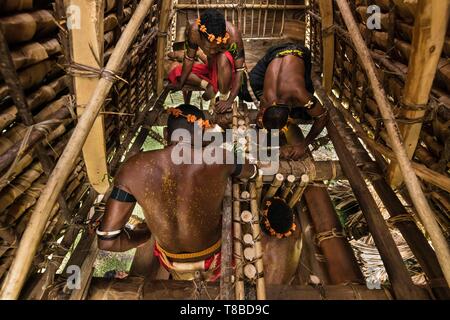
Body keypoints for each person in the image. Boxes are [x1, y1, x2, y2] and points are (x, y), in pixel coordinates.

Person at [96, 104, 258, 281]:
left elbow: (108, 241)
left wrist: (147, 235)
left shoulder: (132, 168)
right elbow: (251, 171)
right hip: (214, 258)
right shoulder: (220, 157)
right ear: (202, 135)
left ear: (166, 133)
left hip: (169, 261)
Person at [240, 42, 329, 160]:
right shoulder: (266, 99)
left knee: (305, 114)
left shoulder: (300, 95)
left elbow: (322, 117)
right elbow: (262, 115)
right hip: (274, 52)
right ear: (265, 110)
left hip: (299, 52)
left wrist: (304, 145)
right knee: (244, 93)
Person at [168, 9, 246, 114]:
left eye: (217, 47)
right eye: (209, 48)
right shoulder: (194, 31)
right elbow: (189, 59)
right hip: (209, 67)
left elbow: (239, 71)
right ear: (200, 35)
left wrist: (229, 101)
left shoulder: (233, 35)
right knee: (176, 71)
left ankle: (221, 96)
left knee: (222, 57)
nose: (212, 52)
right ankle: (207, 85)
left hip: (227, 72)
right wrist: (180, 84)